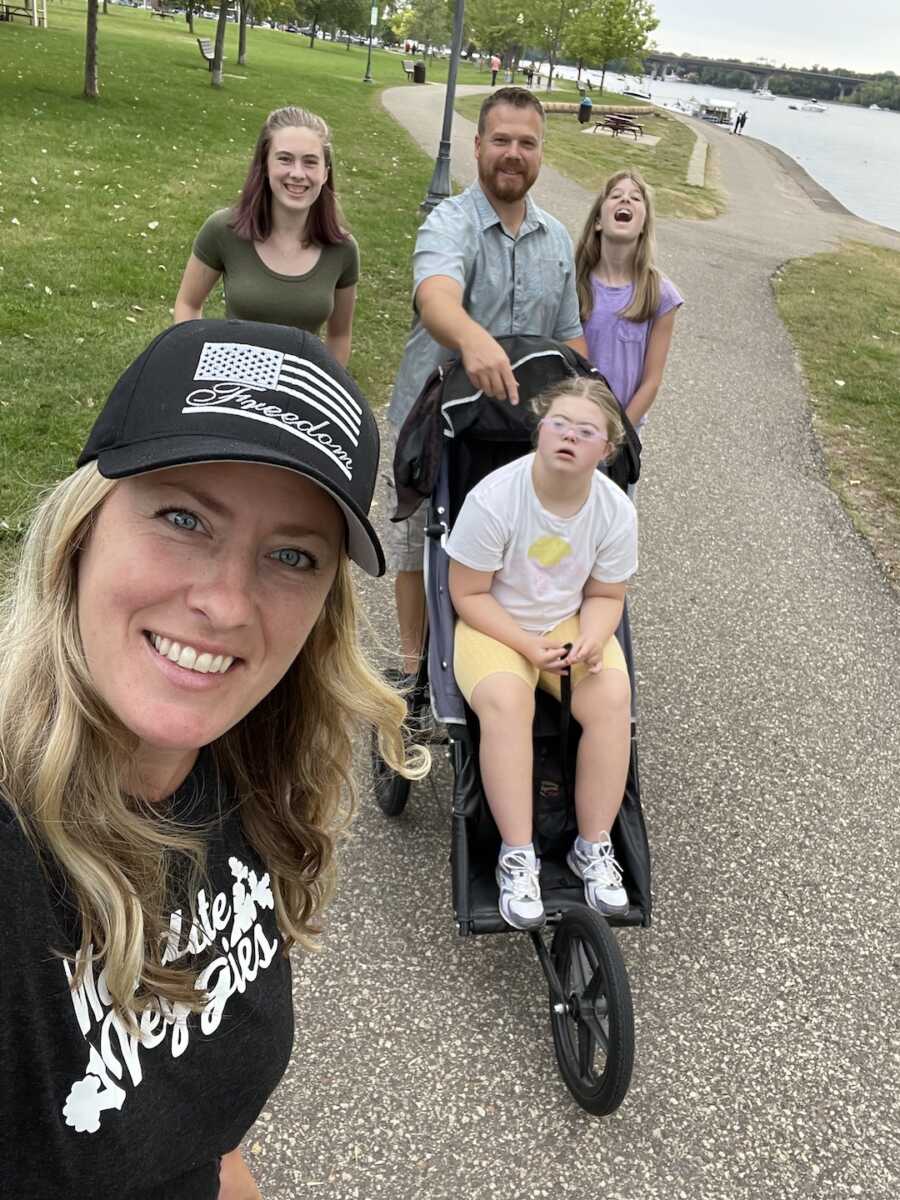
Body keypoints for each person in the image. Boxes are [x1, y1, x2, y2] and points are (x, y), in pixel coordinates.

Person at [0, 319, 428, 1198]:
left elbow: (204, 1137)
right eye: (184, 516)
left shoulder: (240, 776)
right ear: (81, 531)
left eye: (291, 555)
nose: (227, 603)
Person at [386, 86, 588, 678]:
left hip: (517, 430)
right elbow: (435, 297)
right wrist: (474, 339)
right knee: (423, 541)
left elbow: (570, 338)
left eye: (527, 143)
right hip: (437, 420)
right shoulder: (450, 223)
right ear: (477, 147)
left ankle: (491, 656)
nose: (513, 153)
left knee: (508, 546)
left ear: (541, 154)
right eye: (501, 140)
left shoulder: (556, 239)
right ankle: (410, 670)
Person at [446, 378, 637, 930]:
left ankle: (593, 845)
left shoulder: (614, 510)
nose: (569, 437)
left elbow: (606, 595)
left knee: (611, 697)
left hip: (566, 620)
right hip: (495, 620)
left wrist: (595, 638)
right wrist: (527, 645)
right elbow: (468, 594)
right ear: (539, 430)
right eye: (559, 424)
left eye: (585, 431)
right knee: (508, 701)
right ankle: (517, 853)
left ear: (606, 449)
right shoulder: (495, 499)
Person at [174, 107, 359, 366]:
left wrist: (325, 390)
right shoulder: (223, 229)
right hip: (230, 380)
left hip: (299, 386)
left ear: (325, 172)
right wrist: (193, 363)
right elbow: (188, 304)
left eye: (310, 161)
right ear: (264, 165)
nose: (297, 173)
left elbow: (339, 335)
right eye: (284, 159)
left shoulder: (342, 249)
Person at [575, 170, 683, 441]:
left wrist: (617, 434)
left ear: (645, 223)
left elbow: (651, 381)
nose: (626, 201)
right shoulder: (573, 283)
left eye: (636, 198)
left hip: (623, 433)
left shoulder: (660, 294)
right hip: (572, 426)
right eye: (616, 196)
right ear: (598, 219)